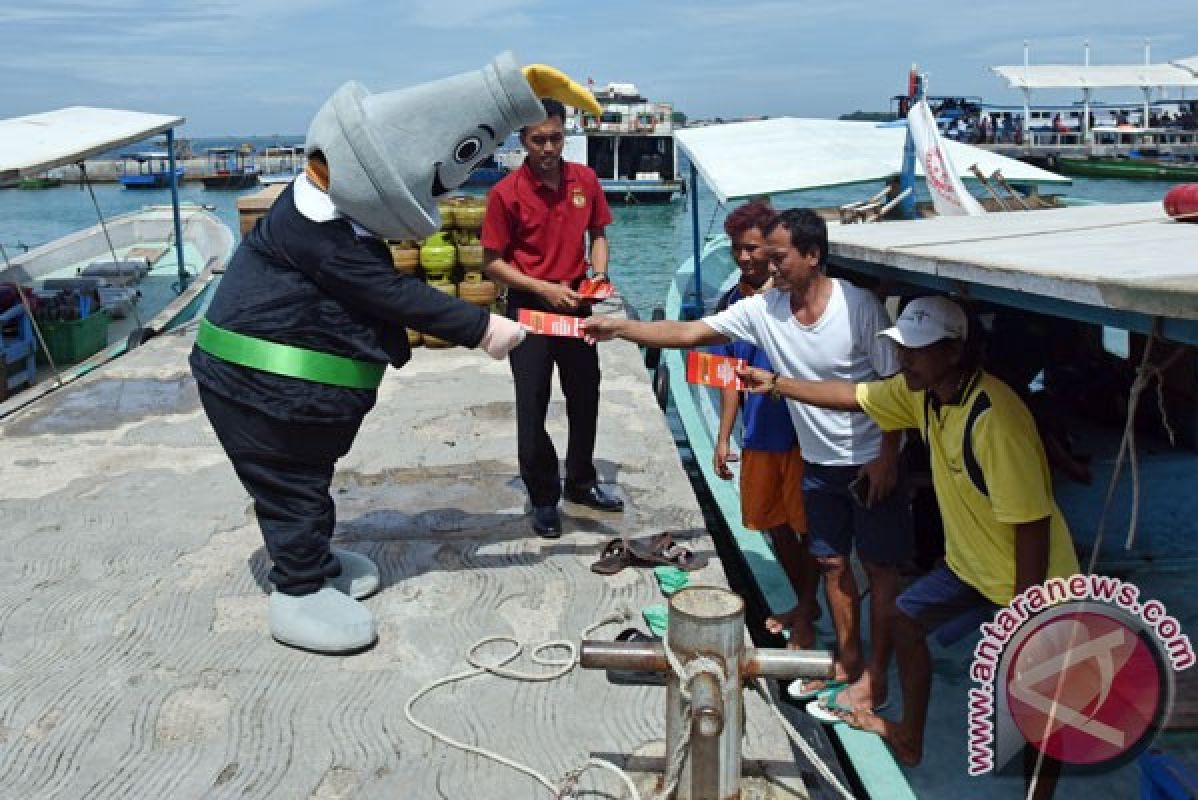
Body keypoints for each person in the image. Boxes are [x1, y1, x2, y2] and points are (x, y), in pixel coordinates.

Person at [190, 54, 600, 654]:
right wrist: (486, 329)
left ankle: (315, 559)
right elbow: (393, 293)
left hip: (285, 392)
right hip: (260, 391)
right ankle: (298, 588)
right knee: (291, 483)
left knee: (308, 479)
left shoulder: (326, 213)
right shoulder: (322, 237)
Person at [737, 295, 1079, 798]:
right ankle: (910, 737)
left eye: (917, 350)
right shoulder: (924, 393)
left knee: (1034, 701)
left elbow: (1032, 525)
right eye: (903, 348)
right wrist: (779, 385)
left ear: (955, 351)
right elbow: (853, 394)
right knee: (901, 619)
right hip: (971, 567)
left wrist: (1024, 619)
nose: (905, 359)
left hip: (1035, 582)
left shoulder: (995, 420)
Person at [582, 208, 910, 716]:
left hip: (869, 460)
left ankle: (877, 677)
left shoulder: (859, 308)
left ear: (813, 255)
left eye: (779, 257)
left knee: (882, 573)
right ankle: (847, 661)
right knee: (831, 563)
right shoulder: (764, 308)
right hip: (819, 462)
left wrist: (888, 456)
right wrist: (622, 329)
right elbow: (692, 333)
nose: (768, 266)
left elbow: (898, 390)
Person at [482, 98, 622, 539]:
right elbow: (492, 262)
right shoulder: (505, 193)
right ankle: (543, 497)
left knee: (586, 396)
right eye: (538, 139)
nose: (547, 147)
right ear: (522, 140)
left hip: (578, 306)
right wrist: (543, 288)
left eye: (555, 137)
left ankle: (580, 481)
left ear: (565, 134)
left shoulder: (585, 180)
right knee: (532, 403)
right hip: (530, 312)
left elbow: (597, 235)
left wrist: (597, 275)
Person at [712, 201, 819, 648]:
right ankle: (804, 600)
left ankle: (811, 611)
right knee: (775, 524)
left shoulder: (792, 299)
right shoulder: (732, 303)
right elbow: (727, 378)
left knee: (811, 528)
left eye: (754, 248)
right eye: (738, 249)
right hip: (760, 432)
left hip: (803, 431)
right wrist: (723, 437)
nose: (745, 258)